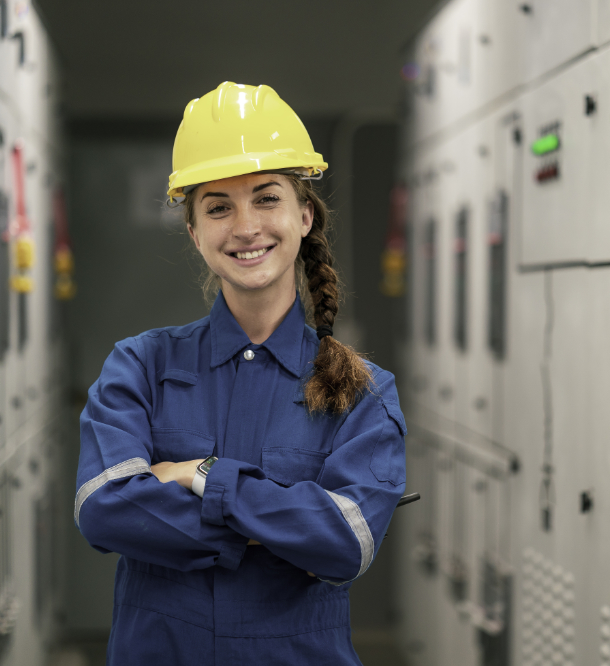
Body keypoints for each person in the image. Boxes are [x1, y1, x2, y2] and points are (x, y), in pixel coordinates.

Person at [74, 82, 407, 664]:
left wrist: (200, 475)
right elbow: (104, 510)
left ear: (304, 216)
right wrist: (284, 523)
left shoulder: (363, 392)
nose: (246, 226)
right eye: (219, 206)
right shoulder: (140, 366)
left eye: (266, 197)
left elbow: (344, 543)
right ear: (194, 231)